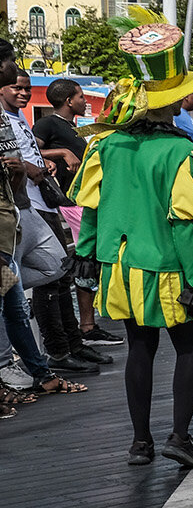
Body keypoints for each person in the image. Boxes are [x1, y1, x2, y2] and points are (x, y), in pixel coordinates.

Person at [71, 14, 193, 466]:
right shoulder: (182, 151)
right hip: (172, 270)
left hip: (123, 266)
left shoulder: (105, 146)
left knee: (140, 348)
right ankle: (179, 435)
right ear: (169, 101)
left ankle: (140, 442)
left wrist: (86, 255)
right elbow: (184, 222)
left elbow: (91, 207)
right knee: (190, 348)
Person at [0, 64, 105, 375]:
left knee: (59, 269)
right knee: (15, 299)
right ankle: (51, 353)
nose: (22, 92)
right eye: (15, 86)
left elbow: (24, 157)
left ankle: (69, 344)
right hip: (15, 212)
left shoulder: (17, 121)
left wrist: (43, 160)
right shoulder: (5, 120)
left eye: (26, 88)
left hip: (33, 207)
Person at [35, 77, 121, 348]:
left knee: (90, 260)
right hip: (71, 203)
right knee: (85, 259)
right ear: (69, 101)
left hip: (85, 201)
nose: (85, 102)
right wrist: (61, 153)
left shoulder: (73, 128)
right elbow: (32, 150)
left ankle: (87, 324)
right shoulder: (49, 123)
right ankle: (86, 326)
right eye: (81, 97)